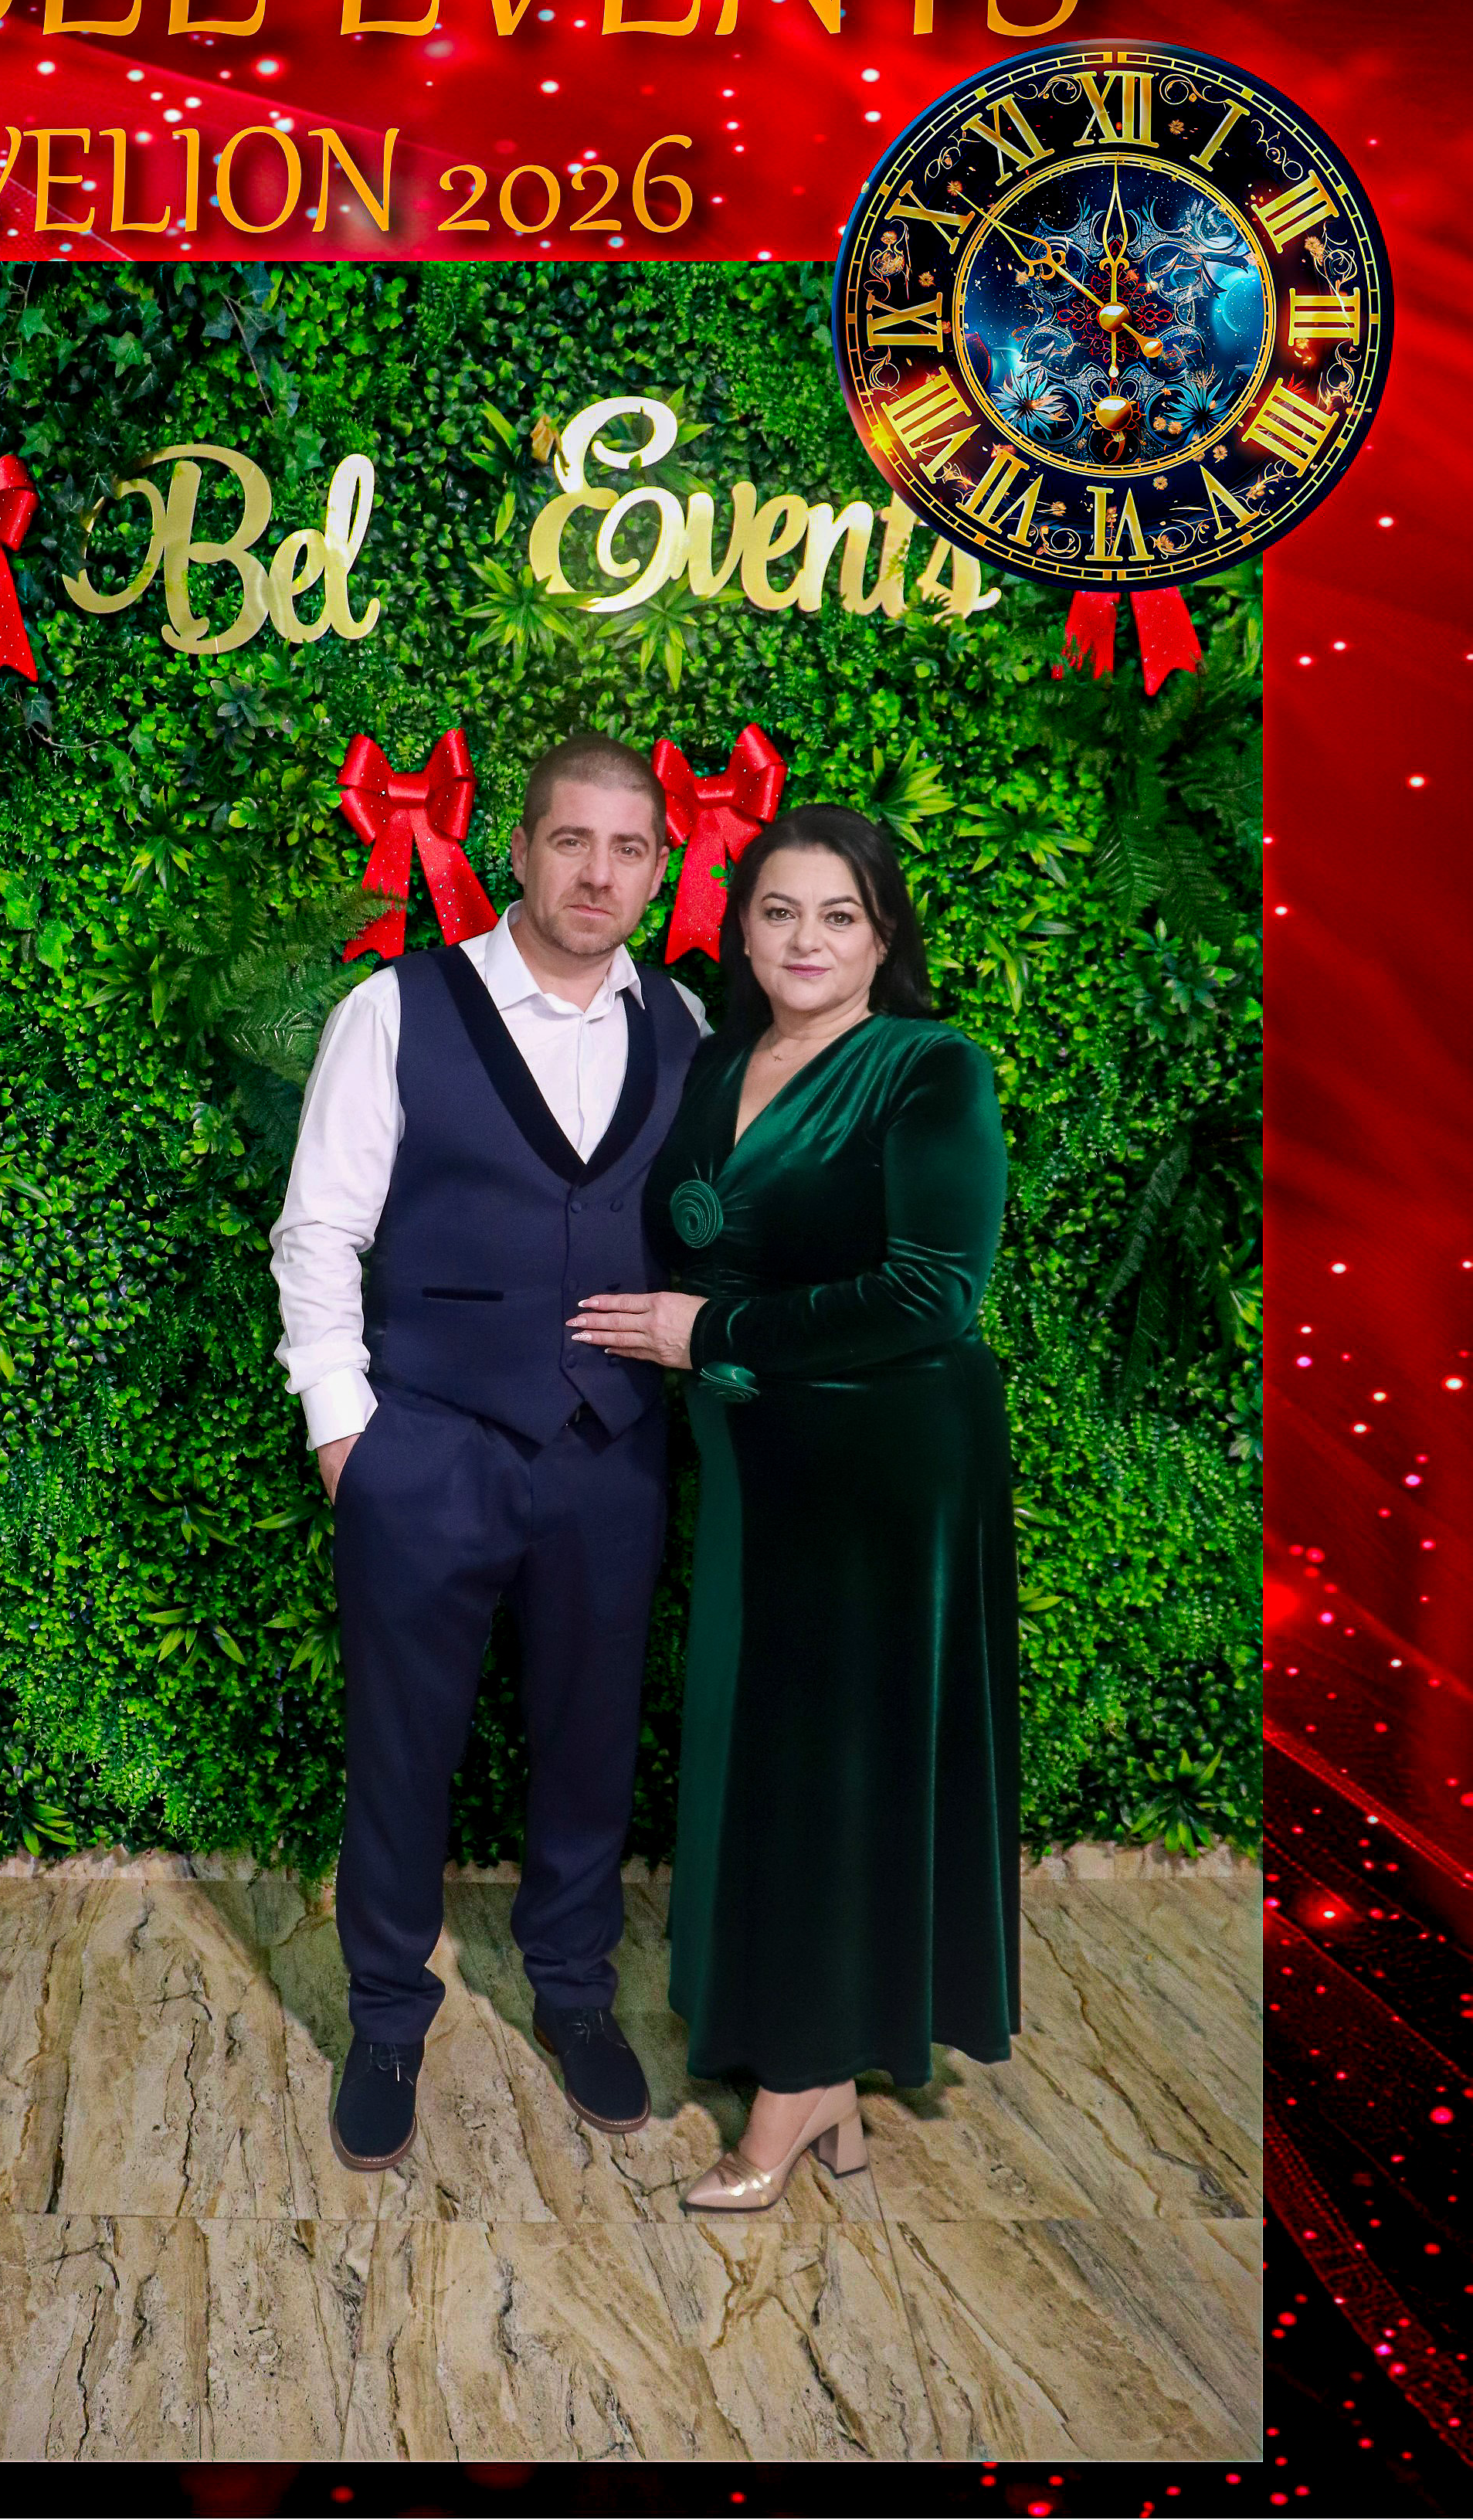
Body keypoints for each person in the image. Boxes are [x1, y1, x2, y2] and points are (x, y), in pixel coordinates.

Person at [571, 804, 1019, 2212]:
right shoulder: (720, 1059)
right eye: (779, 912)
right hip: (758, 1459)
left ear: (883, 938)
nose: (806, 940)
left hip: (884, 1468)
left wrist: (709, 1332)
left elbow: (934, 1292)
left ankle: (798, 2088)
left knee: (831, 1767)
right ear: (743, 927)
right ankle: (815, 2080)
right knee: (766, 1762)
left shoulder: (930, 1068)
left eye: (838, 916)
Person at [270, 735, 708, 2172]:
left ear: (660, 867)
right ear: (516, 850)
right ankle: (387, 2015)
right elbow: (319, 1232)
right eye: (571, 841)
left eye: (628, 849)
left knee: (591, 1741)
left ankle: (574, 1992)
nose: (597, 873)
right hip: (428, 1447)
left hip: (611, 1453)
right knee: (403, 1749)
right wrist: (347, 1434)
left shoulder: (685, 1022)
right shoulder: (396, 1009)